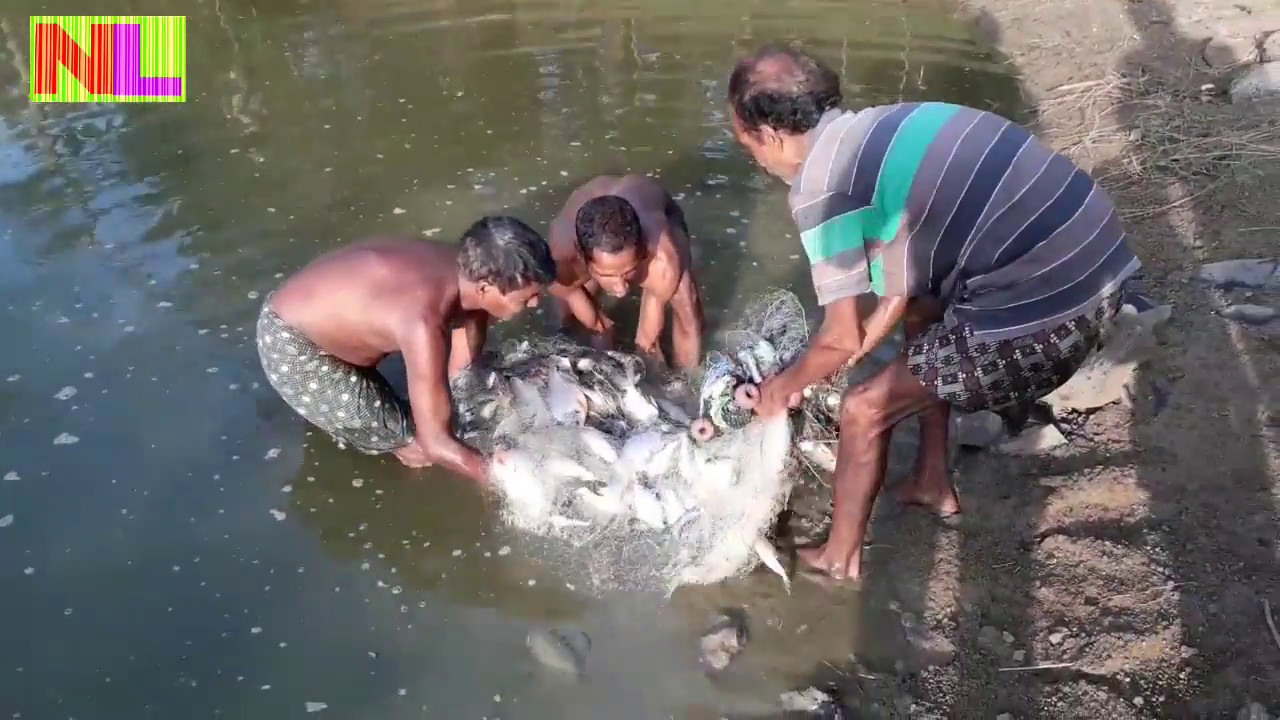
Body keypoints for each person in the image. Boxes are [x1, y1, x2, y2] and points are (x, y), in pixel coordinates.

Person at [727, 45, 1141, 581]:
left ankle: (838, 557)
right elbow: (900, 294)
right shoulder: (892, 125)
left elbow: (838, 337)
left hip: (1049, 319)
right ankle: (931, 479)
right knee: (925, 310)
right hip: (1104, 269)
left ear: (770, 136)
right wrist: (842, 354)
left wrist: (783, 391)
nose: (757, 162)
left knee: (863, 409)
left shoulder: (821, 188)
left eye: (748, 148)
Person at [255, 216, 555, 483]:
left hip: (323, 305)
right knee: (414, 443)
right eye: (527, 297)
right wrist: (496, 474)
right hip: (290, 344)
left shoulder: (466, 269)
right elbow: (436, 443)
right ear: (485, 288)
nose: (534, 304)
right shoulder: (423, 322)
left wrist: (464, 390)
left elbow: (469, 338)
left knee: (454, 396)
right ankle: (358, 425)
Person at [546, 174, 705, 370]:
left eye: (628, 272)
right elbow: (568, 292)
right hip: (590, 226)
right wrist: (599, 331)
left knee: (687, 309)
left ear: (642, 250)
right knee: (569, 324)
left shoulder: (661, 257)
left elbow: (647, 340)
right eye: (608, 276)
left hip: (657, 211)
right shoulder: (560, 255)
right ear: (580, 256)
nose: (621, 289)